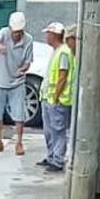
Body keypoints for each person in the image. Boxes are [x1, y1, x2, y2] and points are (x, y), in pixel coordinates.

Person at [0, 11, 34, 155]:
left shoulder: (28, 40)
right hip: (0, 80)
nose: (16, 35)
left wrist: (23, 69)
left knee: (19, 114)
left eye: (19, 32)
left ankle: (19, 143)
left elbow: (28, 62)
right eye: (14, 31)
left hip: (17, 82)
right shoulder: (4, 33)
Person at [39, 21, 74, 172]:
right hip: (49, 98)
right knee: (49, 130)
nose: (46, 36)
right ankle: (51, 156)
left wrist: (56, 96)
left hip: (57, 99)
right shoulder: (58, 51)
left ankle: (57, 160)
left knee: (57, 131)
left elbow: (62, 76)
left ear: (54, 35)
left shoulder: (63, 52)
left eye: (48, 33)